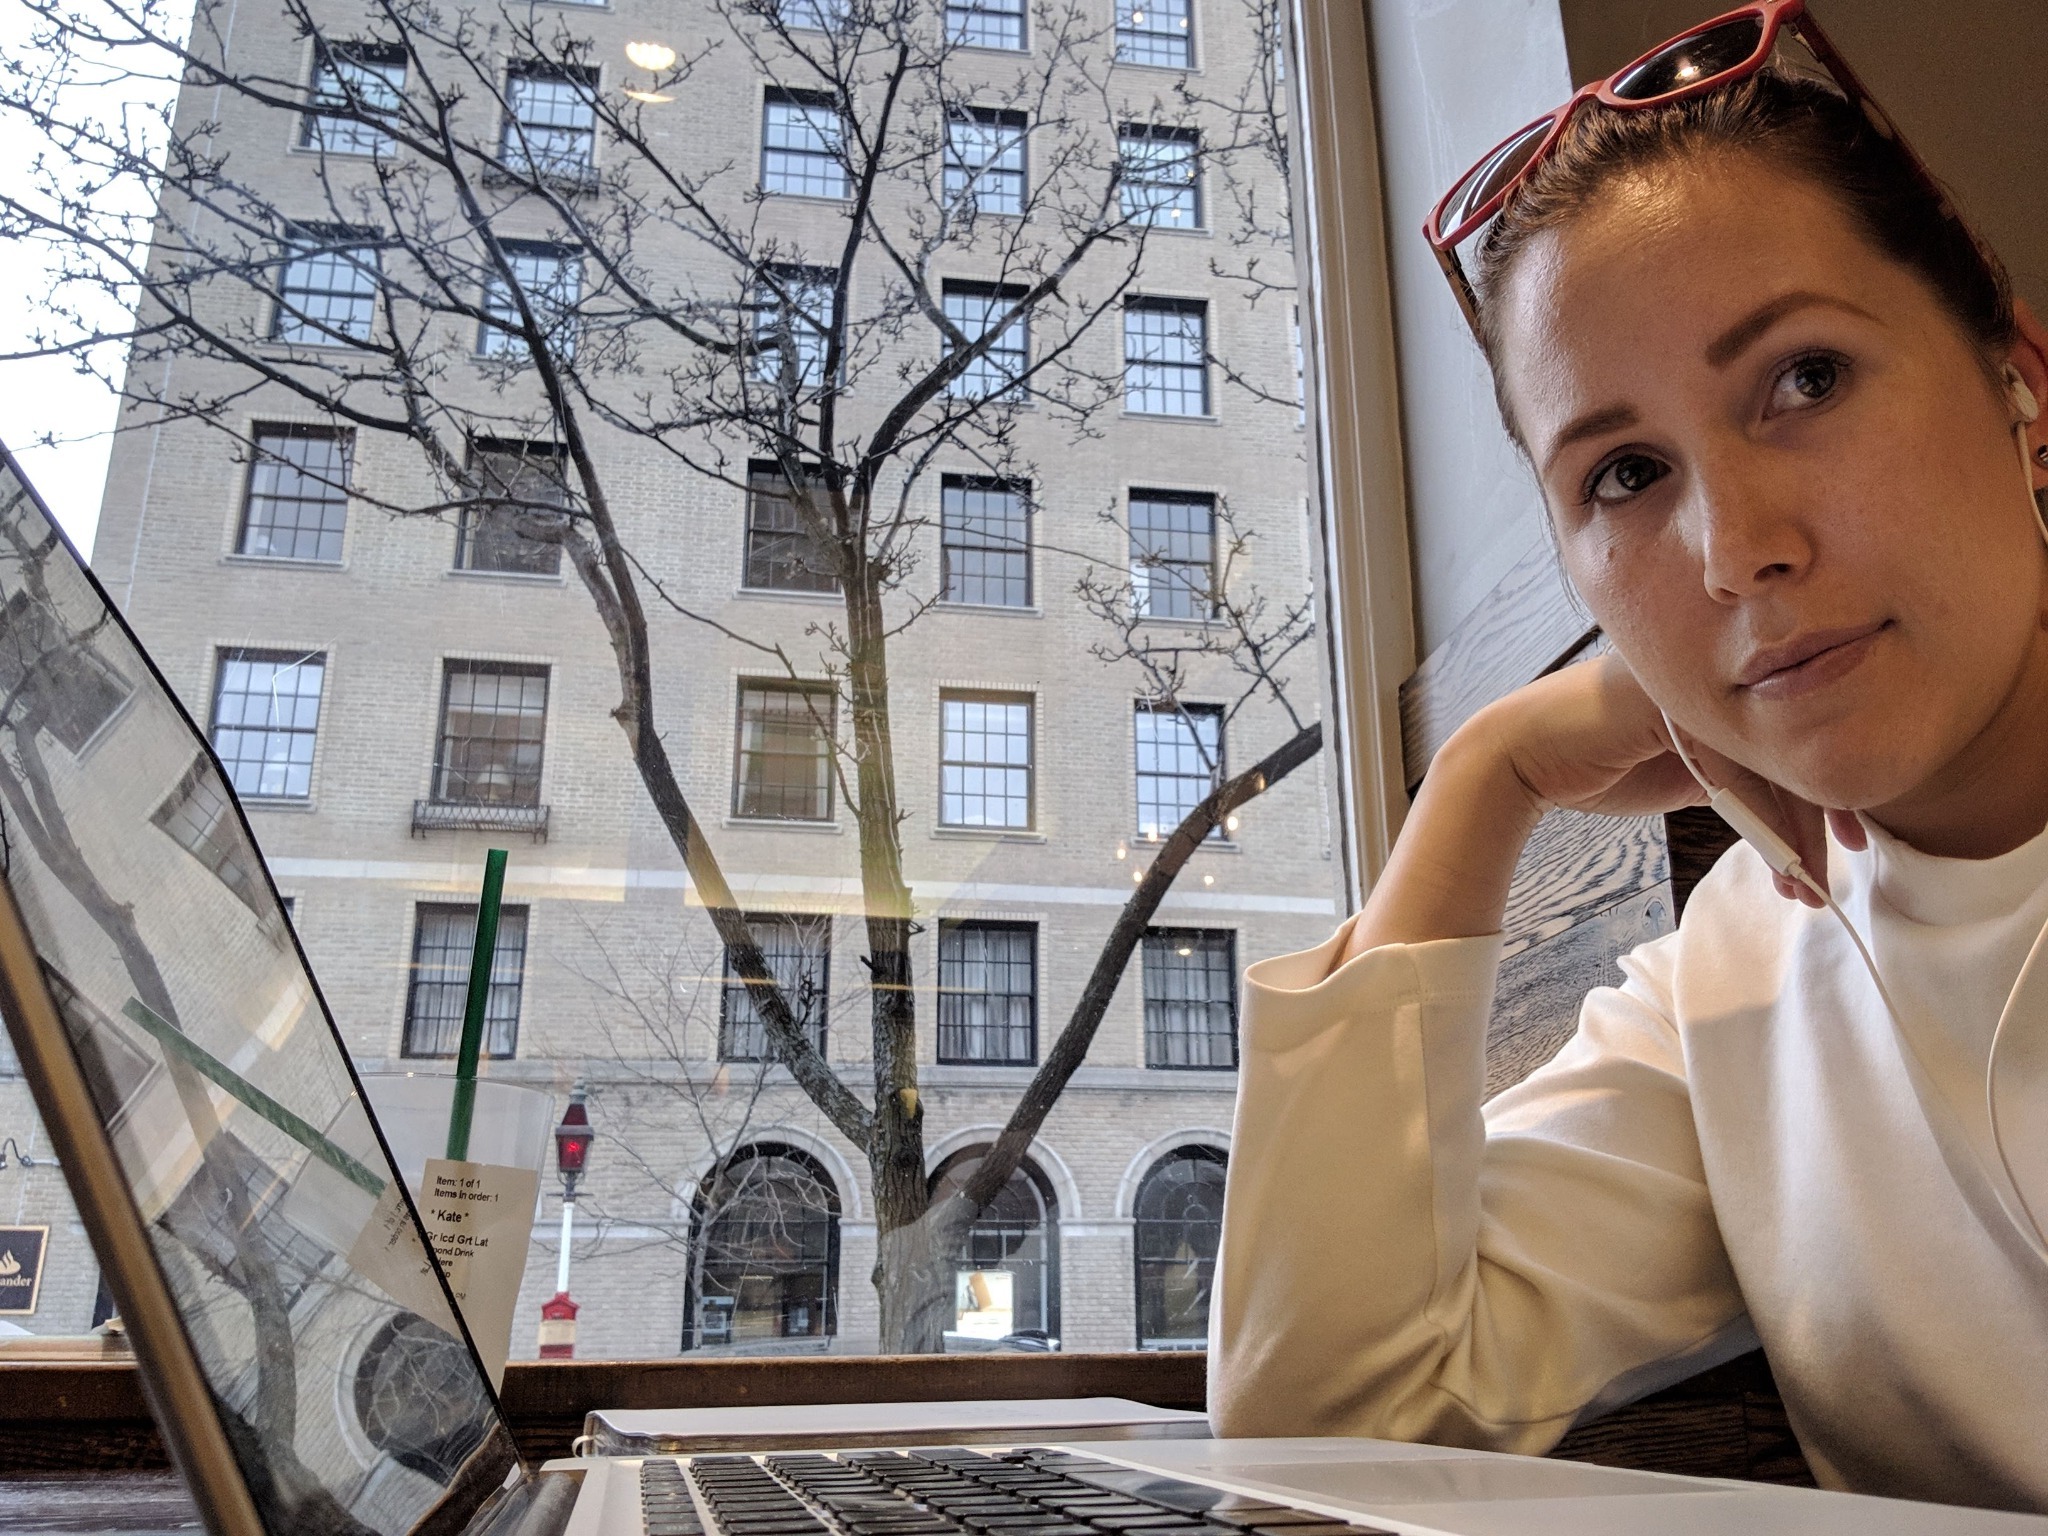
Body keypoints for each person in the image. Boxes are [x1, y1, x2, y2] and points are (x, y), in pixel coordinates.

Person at [1207, 1, 2048, 1514]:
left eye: (1805, 379)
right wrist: (1486, 778)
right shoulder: (1732, 985)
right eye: (1626, 475)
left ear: (2016, 379)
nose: (1735, 553)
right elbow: (1321, 1424)